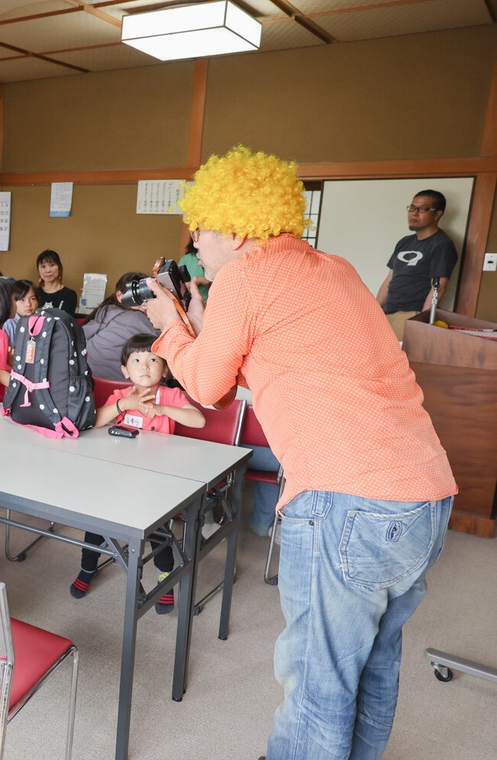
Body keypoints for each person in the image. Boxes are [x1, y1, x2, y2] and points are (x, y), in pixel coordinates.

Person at [142, 146, 456, 760]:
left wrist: (166, 320)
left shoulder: (245, 278)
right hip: (424, 494)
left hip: (348, 498)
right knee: (373, 662)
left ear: (234, 227)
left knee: (318, 677)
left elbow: (205, 387)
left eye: (200, 229)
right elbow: (259, 363)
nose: (196, 243)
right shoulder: (333, 267)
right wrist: (201, 317)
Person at [70, 333, 205, 603]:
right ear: (125, 369)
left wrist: (164, 409)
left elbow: (198, 420)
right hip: (118, 476)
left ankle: (165, 576)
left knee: (158, 528)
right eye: (137, 360)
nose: (144, 366)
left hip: (155, 479)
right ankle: (88, 566)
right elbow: (94, 421)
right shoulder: (121, 395)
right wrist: (123, 405)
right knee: (97, 517)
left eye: (153, 360)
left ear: (165, 369)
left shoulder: (171, 395)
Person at [376, 190, 458, 340]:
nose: (414, 213)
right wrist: (374, 309)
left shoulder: (442, 244)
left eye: (422, 209)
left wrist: (420, 323)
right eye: (412, 208)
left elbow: (438, 287)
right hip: (388, 313)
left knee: (400, 361)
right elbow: (390, 279)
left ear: (438, 214)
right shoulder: (404, 242)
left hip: (411, 315)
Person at [81, 272, 157, 381]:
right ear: (120, 296)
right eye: (137, 296)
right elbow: (163, 346)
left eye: (148, 296)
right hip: (123, 386)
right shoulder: (135, 317)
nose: (145, 304)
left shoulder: (105, 311)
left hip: (95, 383)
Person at [35, 249, 78, 314]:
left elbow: (65, 321)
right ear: (38, 271)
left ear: (59, 267)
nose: (48, 270)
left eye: (52, 265)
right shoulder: (34, 294)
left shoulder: (69, 295)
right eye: (43, 266)